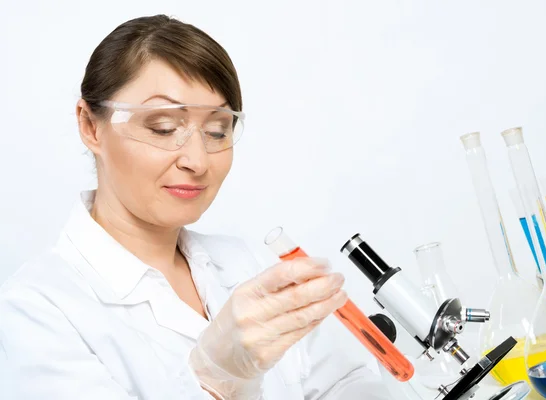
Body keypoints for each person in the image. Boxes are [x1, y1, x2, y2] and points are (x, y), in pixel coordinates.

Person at [0, 15, 392, 400]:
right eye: (163, 128)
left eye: (217, 130)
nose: (198, 161)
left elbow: (349, 382)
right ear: (90, 126)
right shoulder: (35, 311)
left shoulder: (247, 264)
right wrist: (212, 380)